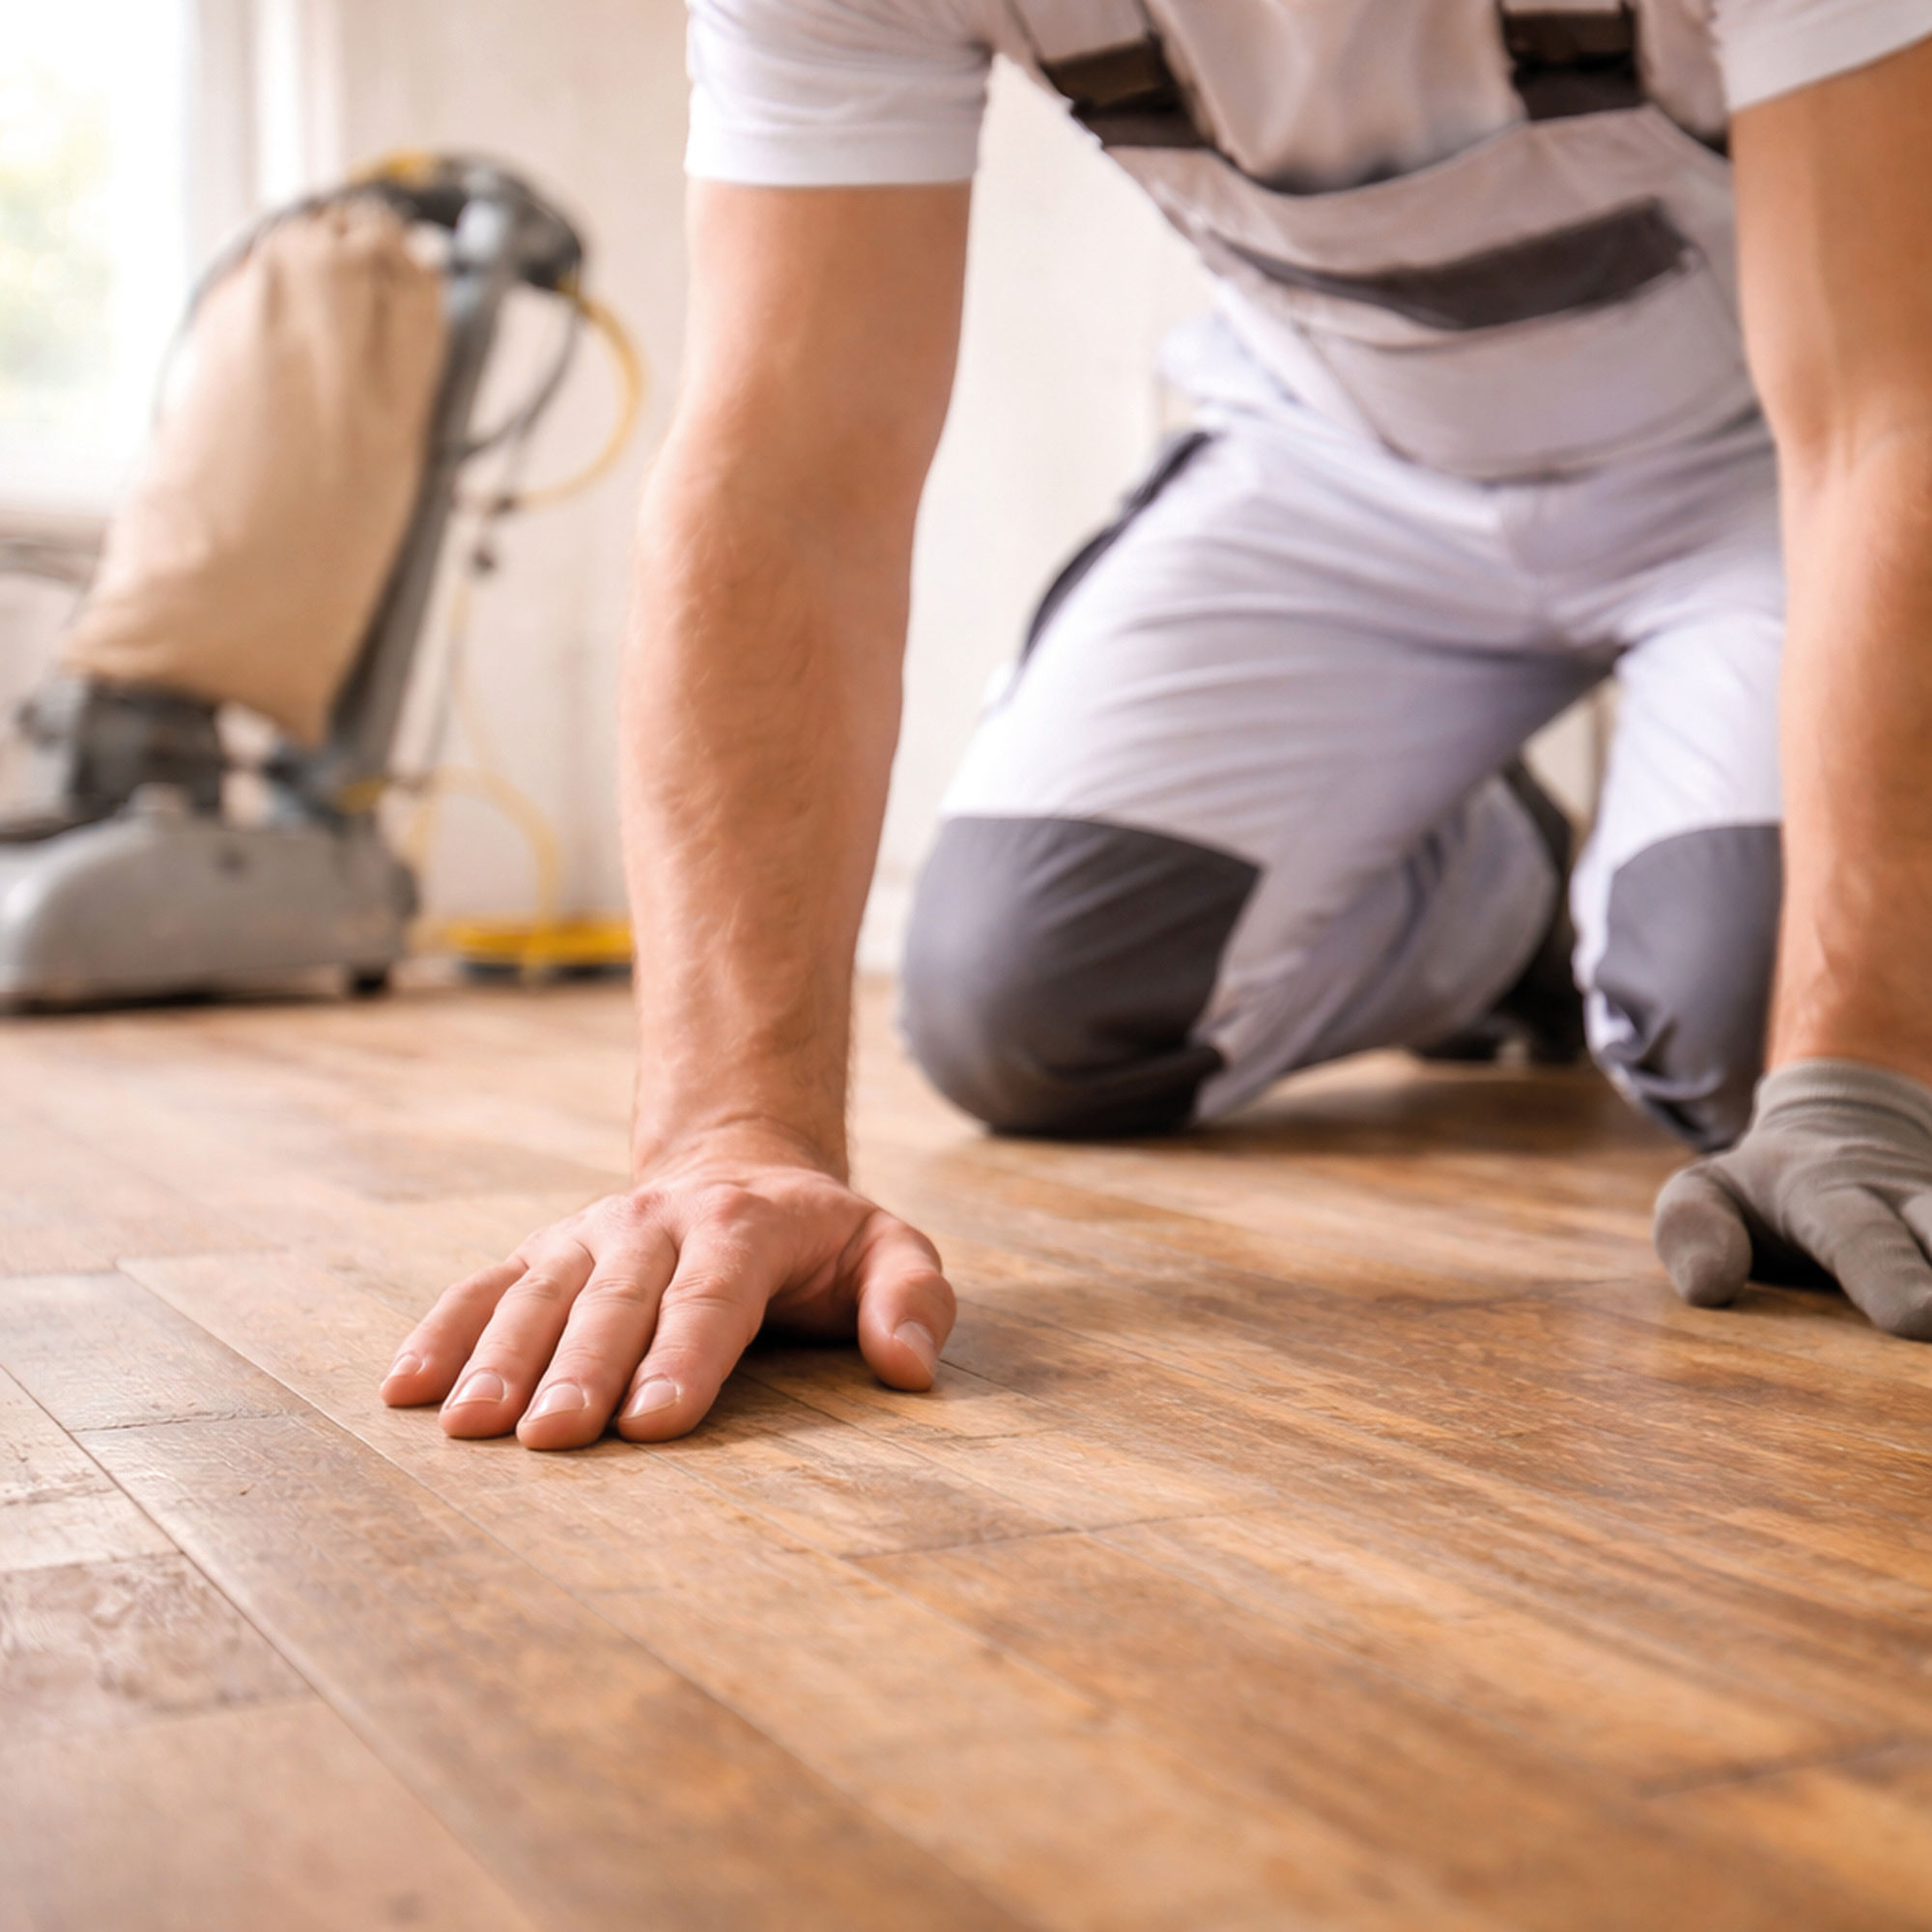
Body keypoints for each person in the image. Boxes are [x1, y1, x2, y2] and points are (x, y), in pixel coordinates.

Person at [380, 1, 1932, 1450]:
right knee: (1032, 1001)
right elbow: (784, 477)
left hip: (1764, 459)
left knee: (1754, 1016)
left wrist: (1862, 1062)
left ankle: (1679, 932)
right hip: (1342, 462)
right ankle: (1504, 889)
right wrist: (728, 1135)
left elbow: (1889, 412)